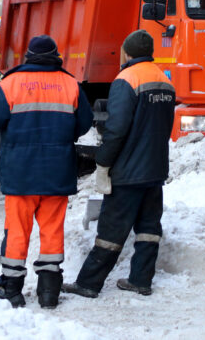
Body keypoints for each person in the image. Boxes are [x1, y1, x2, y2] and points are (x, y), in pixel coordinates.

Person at [0, 35, 93, 309]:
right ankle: (49, 291)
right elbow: (84, 124)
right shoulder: (71, 84)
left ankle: (11, 288)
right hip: (57, 172)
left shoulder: (10, 83)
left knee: (17, 230)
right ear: (56, 56)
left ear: (29, 56)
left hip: (20, 174)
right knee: (52, 231)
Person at [63, 29, 175, 298]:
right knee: (149, 229)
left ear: (127, 52)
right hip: (154, 169)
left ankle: (89, 283)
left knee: (111, 229)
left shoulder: (127, 79)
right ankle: (140, 280)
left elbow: (116, 128)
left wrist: (103, 159)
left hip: (128, 171)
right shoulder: (164, 80)